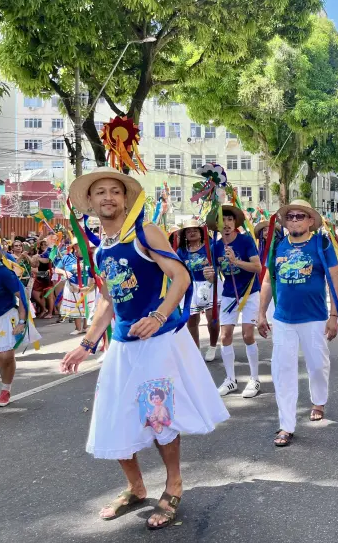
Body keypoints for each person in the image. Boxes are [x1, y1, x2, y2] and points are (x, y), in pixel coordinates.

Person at [60, 167, 228, 529]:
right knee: (114, 415)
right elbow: (109, 301)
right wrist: (87, 343)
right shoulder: (101, 247)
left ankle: (174, 484)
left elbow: (181, 275)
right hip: (122, 346)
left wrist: (158, 313)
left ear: (125, 199)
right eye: (100, 192)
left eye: (115, 191)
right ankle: (135, 488)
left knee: (158, 416)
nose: (108, 197)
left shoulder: (144, 232)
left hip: (158, 343)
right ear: (90, 202)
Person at [257, 199, 338, 447]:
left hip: (314, 318)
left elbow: (334, 280)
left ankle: (318, 400)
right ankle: (286, 425)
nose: (294, 220)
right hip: (283, 319)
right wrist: (261, 313)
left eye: (300, 216)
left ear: (310, 221)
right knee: (282, 371)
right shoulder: (277, 247)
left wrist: (334, 316)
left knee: (317, 366)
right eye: (290, 216)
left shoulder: (321, 244)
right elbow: (268, 281)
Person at [204, 207, 262, 397]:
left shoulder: (245, 241)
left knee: (247, 334)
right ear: (218, 226)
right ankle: (230, 380)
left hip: (250, 293)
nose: (227, 224)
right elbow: (214, 276)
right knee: (225, 336)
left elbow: (257, 267)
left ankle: (254, 379)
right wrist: (210, 275)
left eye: (230, 220)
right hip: (229, 295)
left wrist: (236, 261)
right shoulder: (215, 247)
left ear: (235, 223)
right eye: (223, 221)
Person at [0, 247, 29, 407]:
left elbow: (22, 295)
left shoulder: (3, 273)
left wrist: (22, 321)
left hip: (3, 317)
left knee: (4, 356)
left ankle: (6, 389)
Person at [176, 220, 219, 358]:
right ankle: (196, 351)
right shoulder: (181, 251)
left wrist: (214, 275)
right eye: (188, 231)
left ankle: (212, 346)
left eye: (195, 230)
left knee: (212, 318)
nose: (192, 232)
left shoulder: (210, 247)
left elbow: (219, 264)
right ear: (185, 235)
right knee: (192, 320)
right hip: (190, 287)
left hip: (209, 284)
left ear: (201, 233)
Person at [55, 241, 96, 335]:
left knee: (86, 306)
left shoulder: (89, 257)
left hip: (87, 285)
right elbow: (57, 269)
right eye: (78, 245)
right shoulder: (67, 257)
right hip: (73, 285)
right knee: (76, 306)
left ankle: (86, 327)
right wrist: (64, 272)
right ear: (75, 247)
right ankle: (78, 328)